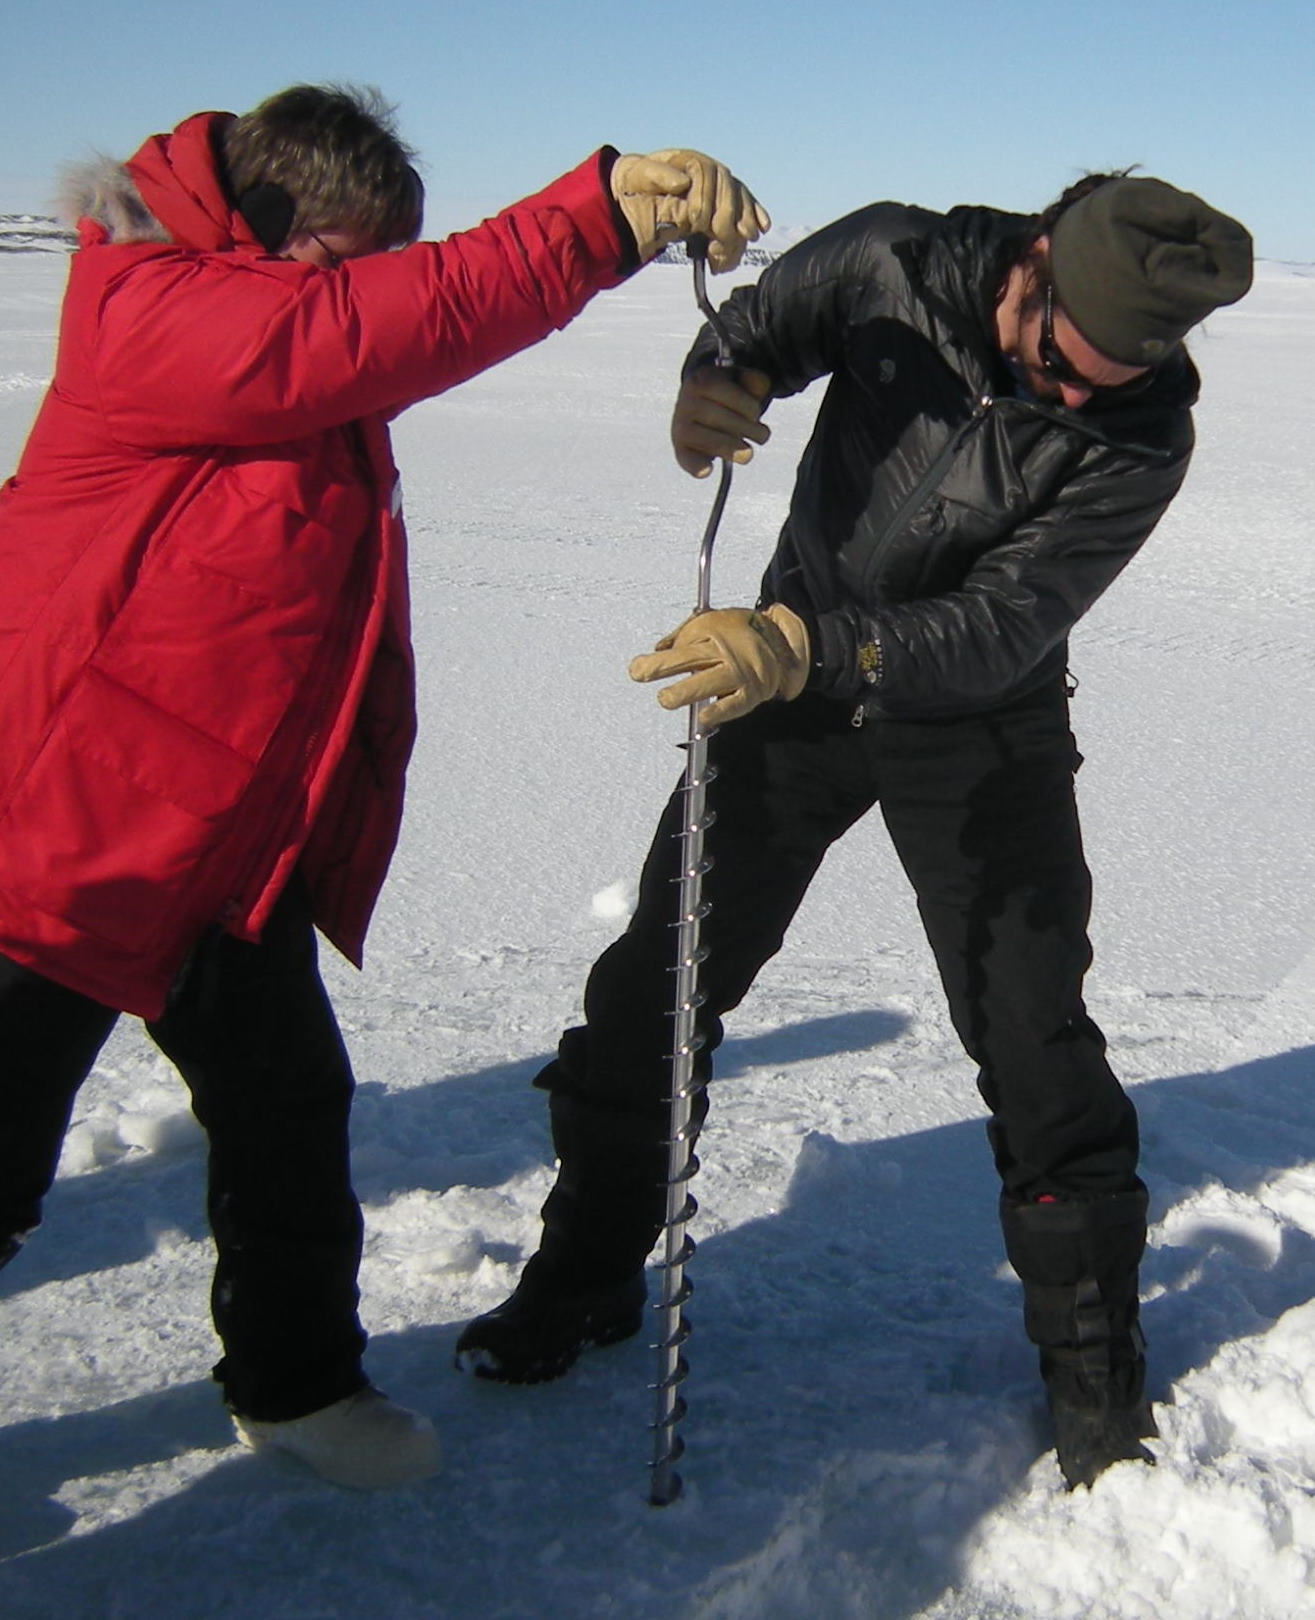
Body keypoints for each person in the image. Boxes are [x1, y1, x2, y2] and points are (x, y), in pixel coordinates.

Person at [0, 83, 767, 1569]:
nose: (357, 289)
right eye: (344, 260)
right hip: (55, 824)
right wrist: (592, 223)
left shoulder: (282, 333)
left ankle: (296, 1381)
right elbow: (356, 333)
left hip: (216, 830)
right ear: (270, 229)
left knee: (288, 1114)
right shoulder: (150, 310)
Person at [455, 174, 1253, 1491]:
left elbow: (1002, 623)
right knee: (656, 986)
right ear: (1035, 264)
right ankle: (584, 1278)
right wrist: (716, 380)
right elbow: (759, 327)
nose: (1070, 397)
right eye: (1058, 363)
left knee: (1036, 1043)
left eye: (1105, 383)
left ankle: (1094, 1374)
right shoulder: (893, 261)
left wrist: (803, 646)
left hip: (979, 724)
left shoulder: (1140, 437)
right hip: (786, 688)